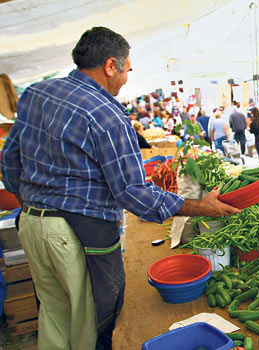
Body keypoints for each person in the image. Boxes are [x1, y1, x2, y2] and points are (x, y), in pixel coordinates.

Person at [0, 27, 241, 350]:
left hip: (31, 224)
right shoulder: (107, 113)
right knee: (89, 327)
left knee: (54, 318)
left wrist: (32, 203)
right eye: (127, 70)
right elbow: (132, 192)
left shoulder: (36, 93)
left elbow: (9, 161)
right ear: (110, 65)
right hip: (75, 234)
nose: (127, 78)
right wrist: (201, 207)